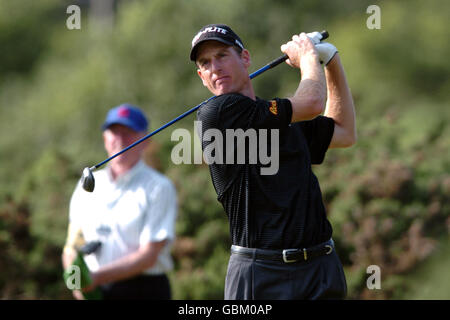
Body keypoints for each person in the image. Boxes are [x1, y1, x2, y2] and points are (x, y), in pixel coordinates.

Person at [190, 24, 356, 299]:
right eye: (205, 63)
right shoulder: (217, 113)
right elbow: (313, 102)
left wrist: (331, 61)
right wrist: (307, 58)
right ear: (201, 76)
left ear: (245, 58)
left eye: (221, 55)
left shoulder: (282, 119)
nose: (214, 67)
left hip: (321, 267)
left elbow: (344, 131)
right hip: (262, 273)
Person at [62, 104, 177, 300]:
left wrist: (95, 278)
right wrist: (77, 282)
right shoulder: (88, 184)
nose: (120, 139)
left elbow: (148, 257)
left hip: (144, 291)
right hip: (96, 290)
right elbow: (73, 243)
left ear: (146, 141)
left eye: (129, 132)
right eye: (114, 132)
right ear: (105, 138)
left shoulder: (159, 187)